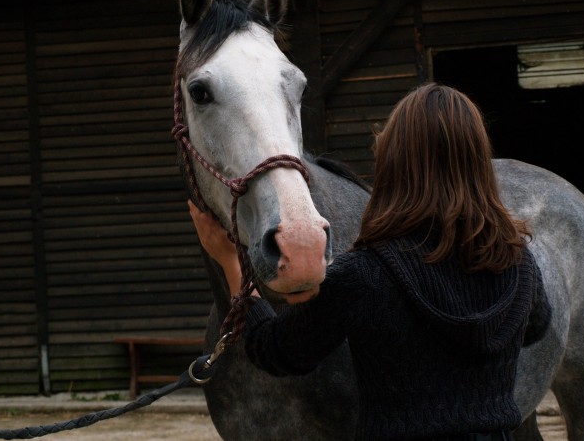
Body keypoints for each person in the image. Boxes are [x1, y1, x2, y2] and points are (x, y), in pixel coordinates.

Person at [189, 82, 552, 441]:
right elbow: (536, 328)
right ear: (477, 163)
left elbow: (275, 353)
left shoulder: (365, 275)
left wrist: (232, 263)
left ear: (392, 162)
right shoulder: (518, 263)